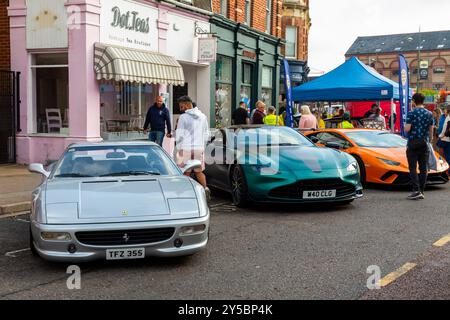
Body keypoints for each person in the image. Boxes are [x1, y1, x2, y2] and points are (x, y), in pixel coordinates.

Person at [175, 96, 211, 199]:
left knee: (185, 172)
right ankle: (205, 189)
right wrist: (202, 146)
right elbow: (206, 133)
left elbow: (180, 134)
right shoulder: (203, 116)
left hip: (185, 148)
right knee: (199, 172)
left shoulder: (183, 117)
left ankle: (183, 193)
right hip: (199, 148)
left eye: (181, 106)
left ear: (186, 105)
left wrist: (178, 147)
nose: (181, 108)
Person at [404, 93, 434, 200]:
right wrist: (429, 140)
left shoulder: (411, 113)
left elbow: (407, 129)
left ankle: (416, 190)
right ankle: (421, 191)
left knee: (412, 168)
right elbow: (431, 129)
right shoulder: (429, 113)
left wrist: (405, 128)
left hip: (413, 142)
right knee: (423, 168)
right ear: (423, 101)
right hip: (424, 143)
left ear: (413, 101)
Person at [438, 105, 450, 171]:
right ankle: (444, 169)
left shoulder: (448, 118)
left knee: (442, 156)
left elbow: (445, 129)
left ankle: (444, 169)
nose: (444, 110)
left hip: (444, 139)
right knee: (443, 155)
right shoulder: (444, 117)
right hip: (444, 139)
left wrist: (441, 136)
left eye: (445, 109)